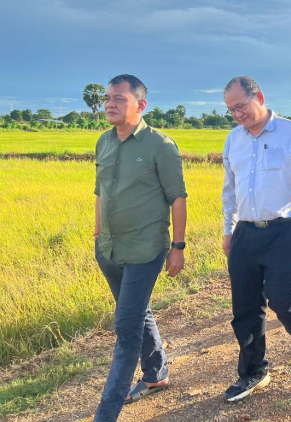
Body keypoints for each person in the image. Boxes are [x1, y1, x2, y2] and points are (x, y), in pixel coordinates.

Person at [221, 76, 291, 403]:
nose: (237, 114)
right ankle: (253, 371)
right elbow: (230, 189)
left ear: (259, 97)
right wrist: (228, 229)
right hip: (245, 232)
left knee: (283, 299)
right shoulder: (233, 139)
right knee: (244, 307)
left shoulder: (290, 132)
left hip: (286, 228)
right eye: (231, 110)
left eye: (241, 106)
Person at [93, 74, 188, 422]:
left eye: (119, 98)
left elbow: (177, 197)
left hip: (146, 249)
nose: (110, 104)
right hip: (110, 249)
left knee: (126, 327)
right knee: (136, 311)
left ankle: (106, 413)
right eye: (108, 98)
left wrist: (177, 247)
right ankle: (156, 374)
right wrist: (98, 233)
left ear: (140, 104)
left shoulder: (161, 145)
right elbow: (100, 192)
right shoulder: (104, 141)